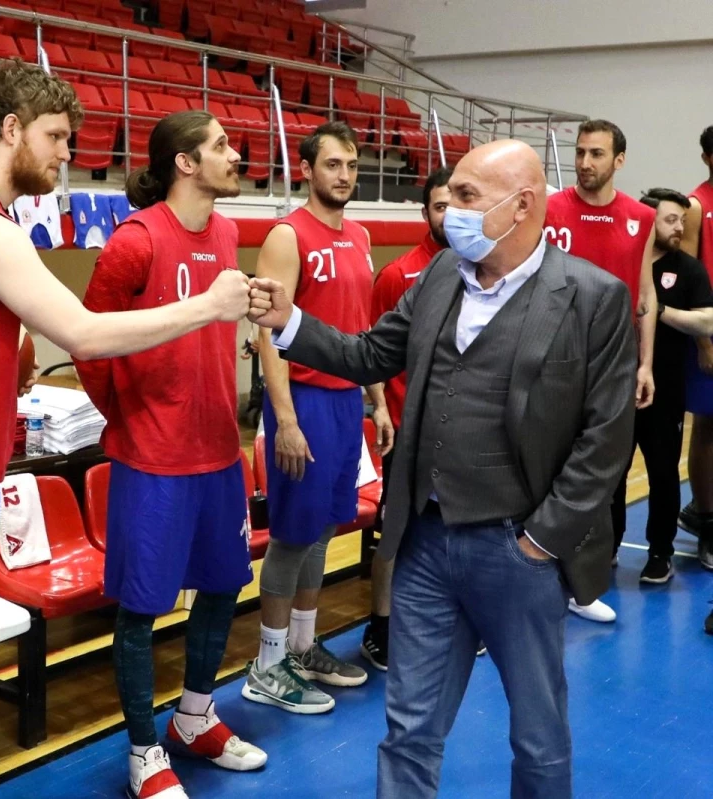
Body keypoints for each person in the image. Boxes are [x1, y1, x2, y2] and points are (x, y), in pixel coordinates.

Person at [0, 61, 272, 799]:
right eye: (55, 136)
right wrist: (209, 308)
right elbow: (82, 330)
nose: (64, 153)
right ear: (11, 129)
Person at [253, 139, 638, 798]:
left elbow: (605, 437)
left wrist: (540, 539)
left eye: (465, 197)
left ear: (521, 207)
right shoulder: (437, 277)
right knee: (408, 727)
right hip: (427, 541)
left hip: (520, 550)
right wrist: (290, 322)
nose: (447, 211)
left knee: (538, 736)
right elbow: (371, 353)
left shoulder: (590, 297)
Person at [72, 110, 267, 799]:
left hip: (219, 451)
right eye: (220, 146)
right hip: (152, 461)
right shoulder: (134, 242)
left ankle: (193, 717)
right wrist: (128, 415)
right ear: (185, 163)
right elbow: (88, 342)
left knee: (220, 586)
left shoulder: (228, 230)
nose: (233, 154)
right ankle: (143, 750)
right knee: (142, 606)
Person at [242, 121, 394, 716]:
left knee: (326, 527)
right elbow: (269, 331)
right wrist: (283, 419)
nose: (345, 176)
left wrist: (377, 399)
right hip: (300, 401)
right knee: (290, 536)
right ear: (306, 170)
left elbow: (361, 334)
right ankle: (267, 664)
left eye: (352, 166)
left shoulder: (357, 235)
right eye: (333, 165)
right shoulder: (287, 235)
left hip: (343, 404)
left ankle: (304, 648)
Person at [544, 118, 657, 623]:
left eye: (596, 154)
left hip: (612, 363)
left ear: (619, 161)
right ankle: (534, 577)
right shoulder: (548, 210)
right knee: (544, 469)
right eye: (581, 152)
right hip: (550, 360)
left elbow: (646, 296)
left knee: (598, 476)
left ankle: (582, 585)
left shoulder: (640, 217)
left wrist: (646, 362)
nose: (585, 163)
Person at [360, 167, 450, 670]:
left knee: (455, 531)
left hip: (460, 433)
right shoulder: (398, 275)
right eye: (439, 206)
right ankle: (382, 627)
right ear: (425, 213)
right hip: (406, 430)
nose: (449, 215)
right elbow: (374, 349)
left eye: (457, 204)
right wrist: (379, 408)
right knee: (395, 533)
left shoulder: (481, 269)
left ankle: (450, 618)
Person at [625, 189, 713, 583]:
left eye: (682, 219)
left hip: (666, 388)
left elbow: (708, 322)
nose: (680, 227)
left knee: (662, 473)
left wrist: (660, 310)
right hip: (615, 389)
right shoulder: (623, 261)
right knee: (610, 476)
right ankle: (602, 550)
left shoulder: (689, 270)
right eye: (671, 220)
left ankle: (660, 553)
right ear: (648, 222)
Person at [680, 125, 713, 574]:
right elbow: (687, 274)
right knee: (708, 426)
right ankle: (707, 521)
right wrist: (703, 339)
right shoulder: (695, 206)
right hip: (708, 331)